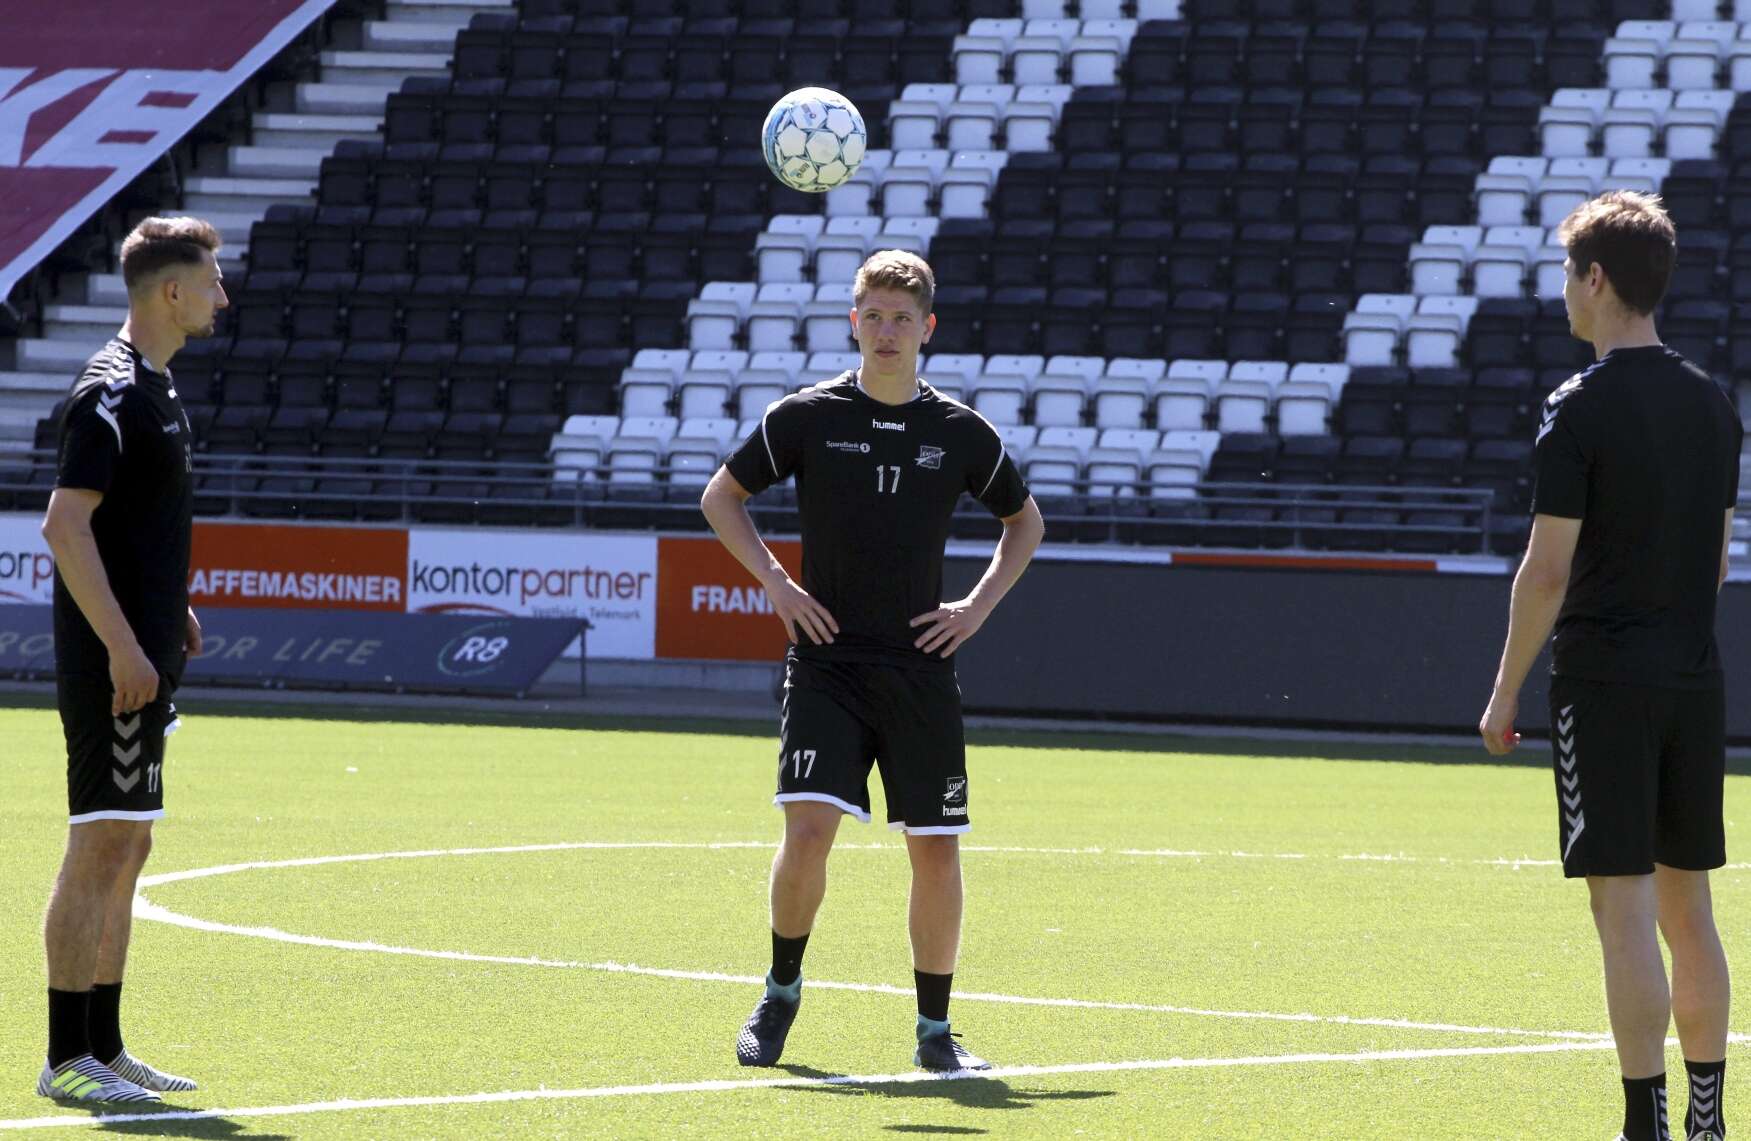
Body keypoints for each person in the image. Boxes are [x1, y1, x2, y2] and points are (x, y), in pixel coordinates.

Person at [701, 250, 1044, 1072]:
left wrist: (974, 608)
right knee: (807, 830)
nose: (887, 332)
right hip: (827, 660)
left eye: (902, 319)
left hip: (919, 666)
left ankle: (934, 1033)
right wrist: (778, 584)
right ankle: (780, 992)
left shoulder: (960, 431)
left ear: (927, 328)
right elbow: (721, 497)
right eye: (874, 316)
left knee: (935, 847)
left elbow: (1024, 523)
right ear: (853, 323)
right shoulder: (806, 416)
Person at [1479, 192, 1741, 1141]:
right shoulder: (1713, 404)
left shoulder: (1575, 407)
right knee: (1688, 907)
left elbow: (1545, 571)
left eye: (1566, 271)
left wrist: (1504, 690)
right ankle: (1707, 1122)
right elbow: (1715, 564)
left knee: (1620, 907)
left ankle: (1645, 1124)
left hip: (1604, 685)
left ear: (1595, 278)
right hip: (1692, 680)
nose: (1562, 289)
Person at [36, 216, 225, 1103]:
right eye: (211, 281)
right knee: (100, 841)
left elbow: (128, 525)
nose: (222, 296)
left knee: (130, 841)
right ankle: (65, 1056)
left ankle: (105, 1048)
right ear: (171, 291)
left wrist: (166, 608)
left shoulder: (159, 387)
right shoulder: (109, 391)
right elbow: (64, 525)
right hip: (111, 665)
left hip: (145, 651)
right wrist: (120, 642)